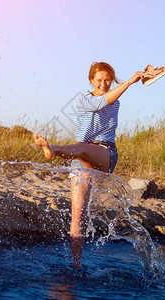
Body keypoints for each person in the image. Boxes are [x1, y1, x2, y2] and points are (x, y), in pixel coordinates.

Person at [34, 62, 144, 266]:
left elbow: (105, 101)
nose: (103, 84)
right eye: (99, 80)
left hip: (104, 152)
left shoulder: (115, 100)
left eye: (108, 80)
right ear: (91, 80)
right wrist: (128, 82)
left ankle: (53, 148)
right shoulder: (83, 98)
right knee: (78, 215)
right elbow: (97, 103)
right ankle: (76, 263)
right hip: (79, 156)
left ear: (113, 80)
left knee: (80, 147)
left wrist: (132, 80)